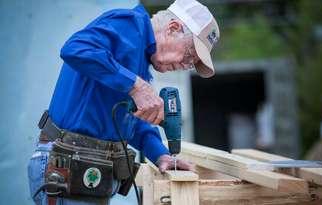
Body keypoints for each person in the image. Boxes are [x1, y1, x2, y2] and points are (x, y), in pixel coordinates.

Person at [27, 0, 220, 204]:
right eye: (189, 55)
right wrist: (136, 86)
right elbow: (74, 48)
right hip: (68, 163)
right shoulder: (129, 25)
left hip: (87, 170)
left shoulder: (141, 64)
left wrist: (160, 154)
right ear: (173, 28)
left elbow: (131, 122)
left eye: (191, 64)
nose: (185, 65)